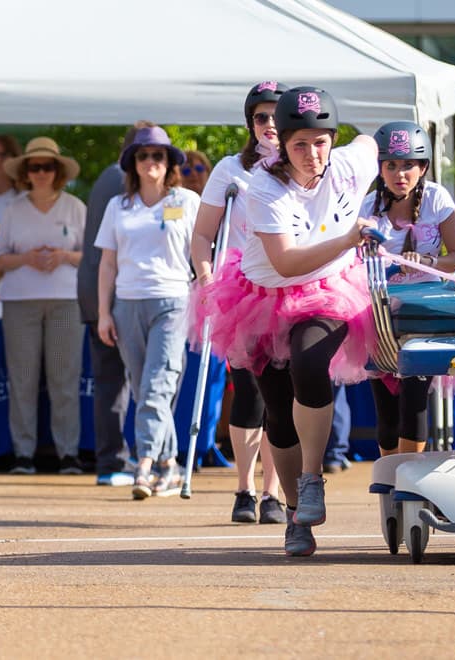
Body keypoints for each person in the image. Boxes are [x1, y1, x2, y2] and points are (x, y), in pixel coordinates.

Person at [195, 86, 380, 557]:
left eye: (320, 141)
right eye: (299, 143)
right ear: (282, 145)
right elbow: (286, 264)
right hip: (262, 295)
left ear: (332, 140)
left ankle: (313, 477)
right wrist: (348, 239)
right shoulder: (264, 187)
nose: (311, 153)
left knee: (310, 363)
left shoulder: (348, 165)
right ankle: (297, 517)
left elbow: (373, 144)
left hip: (329, 292)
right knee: (275, 410)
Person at [191, 81, 288, 523]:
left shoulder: (301, 167)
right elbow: (203, 234)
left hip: (290, 288)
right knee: (248, 388)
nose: (269, 125)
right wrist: (206, 274)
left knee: (281, 392)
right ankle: (244, 489)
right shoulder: (232, 168)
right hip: (242, 288)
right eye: (260, 117)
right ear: (250, 123)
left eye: (275, 116)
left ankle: (273, 492)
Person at [95, 125, 200, 498]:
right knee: (144, 390)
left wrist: (209, 296)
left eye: (159, 154)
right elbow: (107, 263)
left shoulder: (187, 202)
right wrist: (104, 313)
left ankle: (143, 464)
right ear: (133, 163)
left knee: (158, 386)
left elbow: (202, 254)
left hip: (173, 300)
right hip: (127, 303)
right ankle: (169, 465)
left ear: (169, 161)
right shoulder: (118, 206)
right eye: (144, 155)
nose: (151, 161)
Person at [361, 121, 455, 459]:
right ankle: (392, 487)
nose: (399, 173)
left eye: (408, 164)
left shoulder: (437, 198)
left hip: (424, 316)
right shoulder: (366, 207)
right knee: (386, 413)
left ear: (423, 168)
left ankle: (409, 483)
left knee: (414, 403)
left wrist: (425, 262)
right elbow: (351, 263)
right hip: (380, 314)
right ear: (380, 168)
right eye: (391, 164)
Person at [0, 136, 88, 475]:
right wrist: (27, 259)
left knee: (65, 378)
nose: (41, 172)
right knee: (23, 378)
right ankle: (23, 453)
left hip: (66, 301)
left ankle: (68, 453)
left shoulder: (76, 207)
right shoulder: (13, 209)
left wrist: (64, 255)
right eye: (35, 167)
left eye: (48, 166)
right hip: (20, 302)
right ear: (26, 172)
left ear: (58, 171)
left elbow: (92, 257)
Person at [82, 127, 141, 487]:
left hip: (95, 292)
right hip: (116, 295)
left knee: (110, 382)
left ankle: (114, 458)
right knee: (115, 382)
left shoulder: (108, 176)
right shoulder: (122, 182)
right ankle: (114, 459)